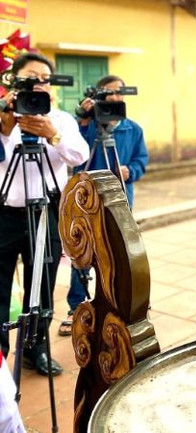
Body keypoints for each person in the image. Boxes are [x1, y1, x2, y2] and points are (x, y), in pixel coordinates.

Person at [0, 53, 89, 375]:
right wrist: (6, 130)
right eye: (30, 78)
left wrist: (52, 133)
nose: (38, 84)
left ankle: (35, 350)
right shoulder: (2, 116)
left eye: (44, 79)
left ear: (51, 86)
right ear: (13, 81)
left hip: (45, 212)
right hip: (4, 213)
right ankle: (0, 356)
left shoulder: (61, 119)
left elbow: (80, 155)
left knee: (43, 286)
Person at [59, 74, 149, 336]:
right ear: (99, 96)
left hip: (120, 197)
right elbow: (77, 155)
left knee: (119, 249)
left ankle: (122, 302)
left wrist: (130, 171)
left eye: (119, 92)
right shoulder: (85, 126)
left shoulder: (133, 129)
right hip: (87, 199)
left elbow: (141, 161)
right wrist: (85, 119)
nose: (114, 97)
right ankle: (76, 307)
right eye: (107, 93)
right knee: (83, 249)